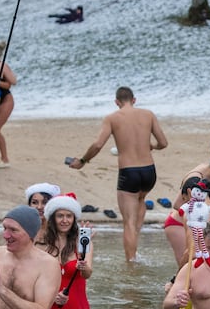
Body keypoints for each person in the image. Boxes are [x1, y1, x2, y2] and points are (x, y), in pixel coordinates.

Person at [68, 86, 169, 262]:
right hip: (149, 171)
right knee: (141, 200)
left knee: (128, 221)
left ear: (116, 102)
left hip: (129, 172)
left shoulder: (112, 118)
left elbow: (98, 144)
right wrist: (151, 146)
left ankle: (131, 262)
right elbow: (163, 143)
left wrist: (83, 161)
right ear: (134, 100)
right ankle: (135, 247)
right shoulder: (148, 114)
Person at [164, 139, 210, 266]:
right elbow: (176, 204)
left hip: (190, 223)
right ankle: (173, 283)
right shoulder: (195, 180)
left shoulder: (206, 172)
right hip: (178, 224)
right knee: (186, 265)